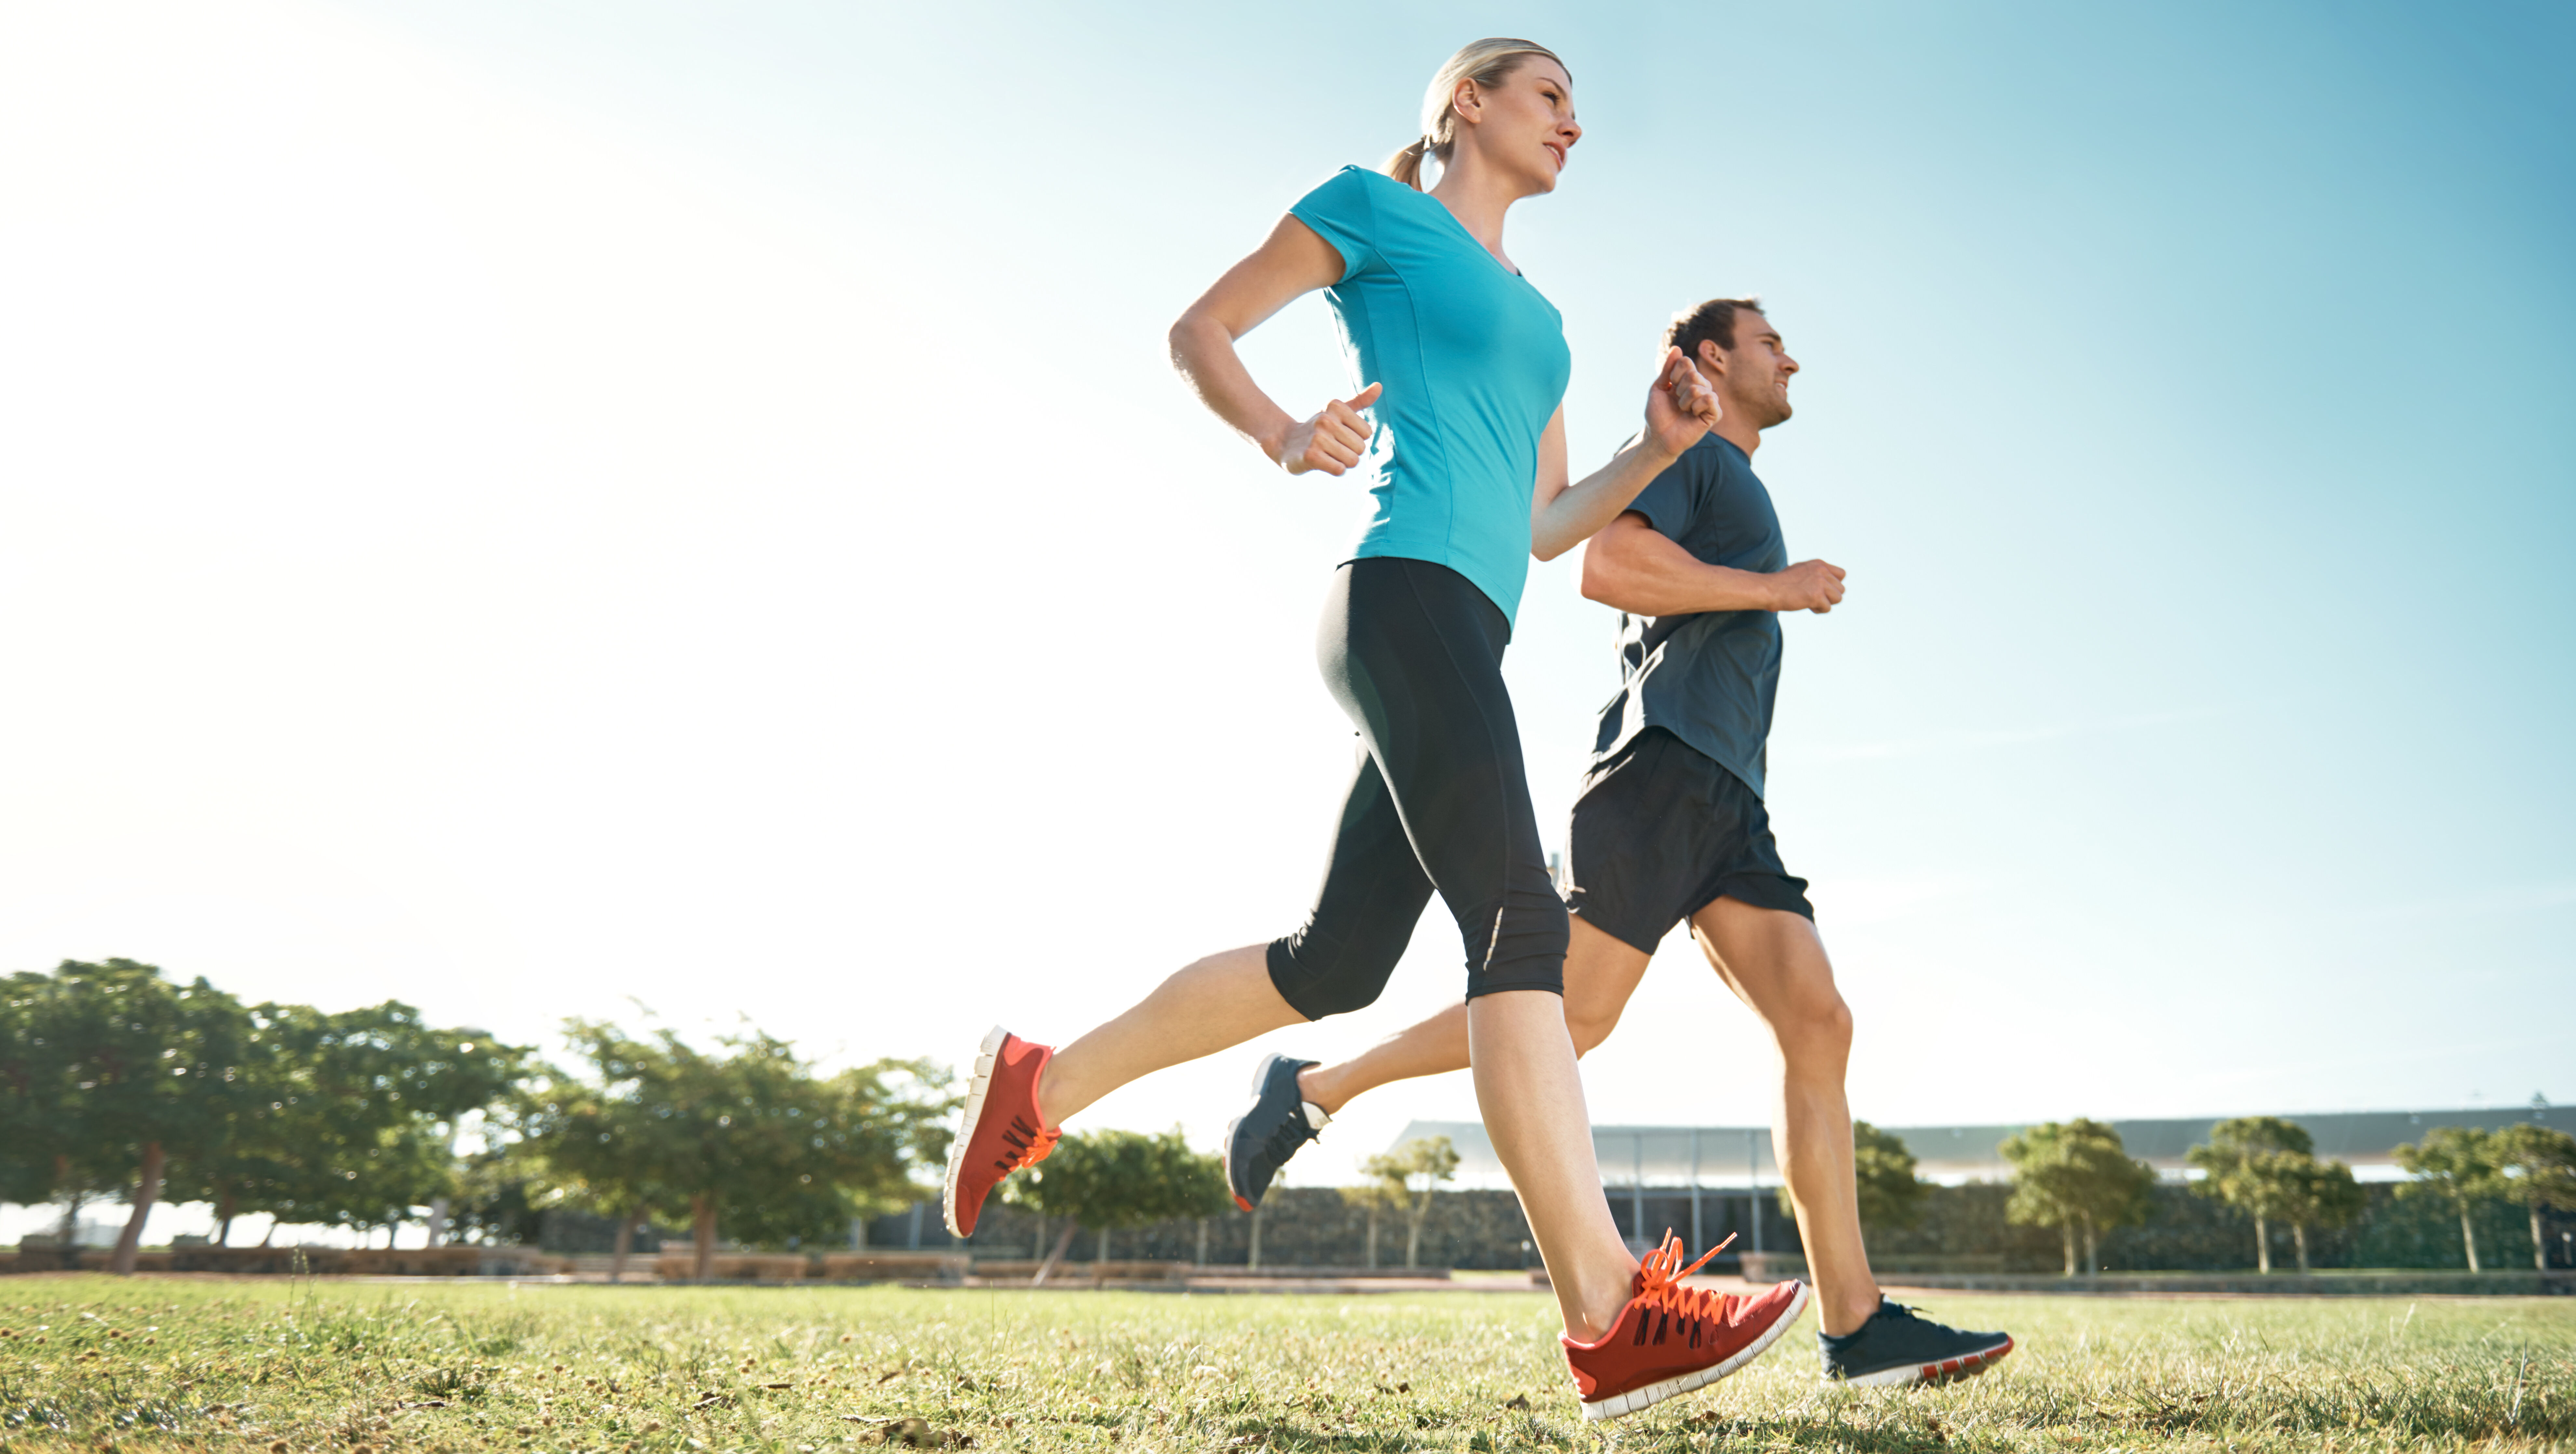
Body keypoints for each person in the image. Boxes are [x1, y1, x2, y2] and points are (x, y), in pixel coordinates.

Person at [942, 40, 1810, 1420]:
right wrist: (1287, 433)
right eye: (1549, 96)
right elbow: (1200, 331)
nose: (1576, 122)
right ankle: (1609, 1309)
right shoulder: (1374, 210)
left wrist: (1650, 454)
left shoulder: (1544, 319)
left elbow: (1538, 525)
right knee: (1524, 921)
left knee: (1332, 963)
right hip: (1395, 596)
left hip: (1471, 624)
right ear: (1469, 103)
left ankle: (1044, 1081)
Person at [1221, 298, 2016, 1388]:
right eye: (1770, 341)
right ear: (1708, 361)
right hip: (1658, 774)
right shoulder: (1701, 461)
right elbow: (1604, 566)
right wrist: (1777, 590)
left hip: (1731, 798)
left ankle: (1858, 1324)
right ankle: (1317, 1087)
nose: (1793, 357)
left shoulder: (1740, 476)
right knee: (1573, 1015)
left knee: (1818, 1020)